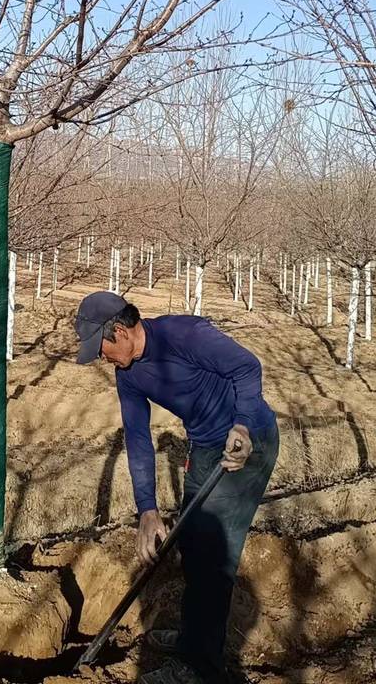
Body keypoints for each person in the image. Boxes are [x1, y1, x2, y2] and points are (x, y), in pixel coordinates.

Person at [74, 290, 278, 684]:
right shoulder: (128, 373)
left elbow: (247, 368)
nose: (100, 358)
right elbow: (137, 437)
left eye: (100, 349)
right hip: (205, 447)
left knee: (215, 556)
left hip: (248, 443)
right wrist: (147, 510)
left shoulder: (183, 335)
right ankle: (192, 639)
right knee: (191, 545)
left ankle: (199, 668)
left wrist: (244, 424)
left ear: (119, 331)